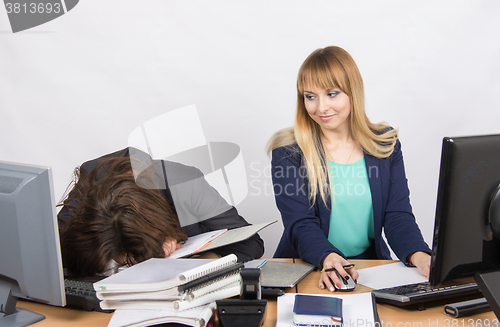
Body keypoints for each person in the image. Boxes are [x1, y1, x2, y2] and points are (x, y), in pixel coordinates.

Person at [267, 46, 431, 292]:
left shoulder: (385, 144)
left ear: (353, 92)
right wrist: (329, 258)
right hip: (307, 267)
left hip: (368, 267)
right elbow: (300, 223)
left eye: (332, 94)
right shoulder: (289, 151)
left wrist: (420, 256)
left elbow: (397, 215)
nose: (321, 107)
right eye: (310, 96)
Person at [58, 147, 264, 277]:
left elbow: (250, 242)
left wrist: (202, 262)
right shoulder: (88, 187)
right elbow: (56, 257)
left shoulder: (184, 183)